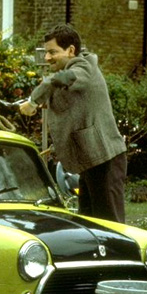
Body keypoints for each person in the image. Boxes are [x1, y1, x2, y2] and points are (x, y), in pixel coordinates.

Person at [20, 24, 127, 223]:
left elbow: (59, 80)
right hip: (91, 159)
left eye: (52, 52)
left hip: (105, 160)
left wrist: (33, 101)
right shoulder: (75, 71)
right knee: (89, 223)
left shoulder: (84, 67)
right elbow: (70, 98)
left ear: (71, 50)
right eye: (46, 52)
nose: (47, 57)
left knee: (111, 226)